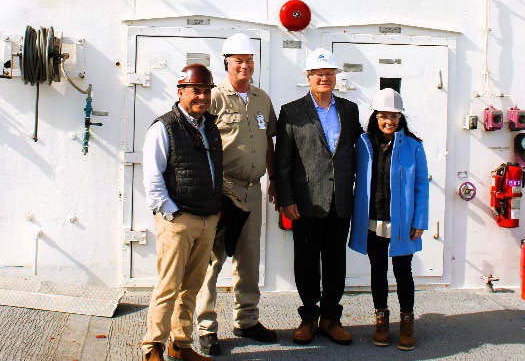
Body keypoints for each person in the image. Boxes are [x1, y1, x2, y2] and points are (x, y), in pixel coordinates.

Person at [196, 33, 278, 355]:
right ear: (226, 62)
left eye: (249, 60)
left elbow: (269, 142)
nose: (245, 65)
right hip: (223, 189)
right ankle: (206, 327)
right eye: (238, 60)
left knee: (248, 257)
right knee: (212, 260)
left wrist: (274, 180)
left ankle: (247, 320)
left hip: (252, 189)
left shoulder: (261, 99)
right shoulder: (214, 98)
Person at [274, 48, 362, 346]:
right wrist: (287, 199)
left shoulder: (349, 110)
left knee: (336, 262)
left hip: (340, 201)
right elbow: (282, 160)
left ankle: (331, 319)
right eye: (318, 74)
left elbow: (358, 150)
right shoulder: (292, 111)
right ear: (308, 78)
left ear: (336, 77)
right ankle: (309, 318)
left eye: (329, 73)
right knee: (307, 262)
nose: (324, 78)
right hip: (306, 201)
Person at [141, 64, 222, 361]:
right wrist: (171, 213)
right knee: (168, 286)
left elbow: (214, 171)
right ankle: (153, 347)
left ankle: (181, 344)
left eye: (206, 91)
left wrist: (216, 210)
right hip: (178, 220)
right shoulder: (164, 127)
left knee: (191, 286)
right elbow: (152, 177)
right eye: (196, 91)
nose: (202, 96)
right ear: (181, 92)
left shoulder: (209, 126)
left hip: (208, 219)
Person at [349, 88, 429, 351]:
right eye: (383, 116)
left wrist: (420, 220)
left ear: (401, 118)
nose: (389, 121)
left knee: (403, 272)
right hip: (372, 220)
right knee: (378, 271)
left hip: (402, 223)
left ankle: (407, 322)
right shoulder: (363, 144)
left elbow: (421, 186)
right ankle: (381, 319)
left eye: (394, 116)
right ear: (375, 116)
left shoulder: (414, 146)